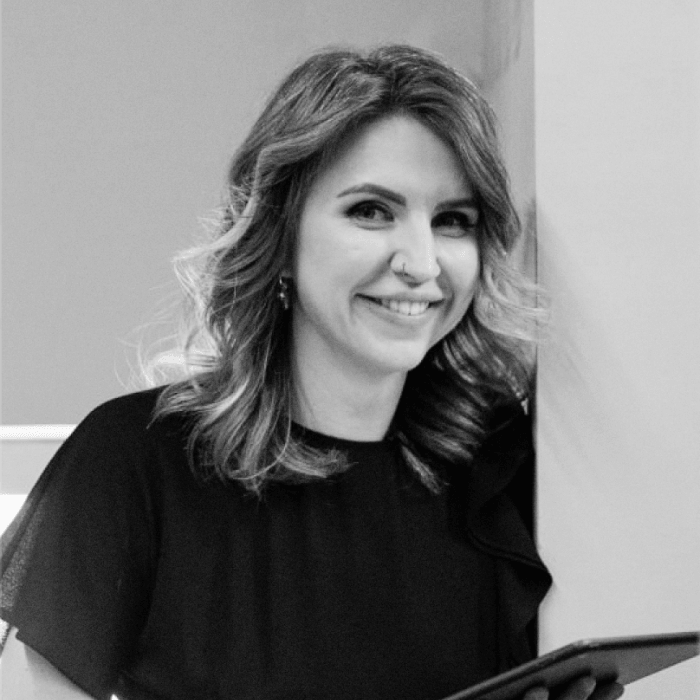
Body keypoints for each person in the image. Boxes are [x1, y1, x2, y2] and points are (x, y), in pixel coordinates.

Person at [0, 45, 623, 700]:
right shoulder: (131, 461)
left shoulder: (495, 464)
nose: (421, 263)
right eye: (371, 211)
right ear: (280, 236)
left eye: (452, 221)